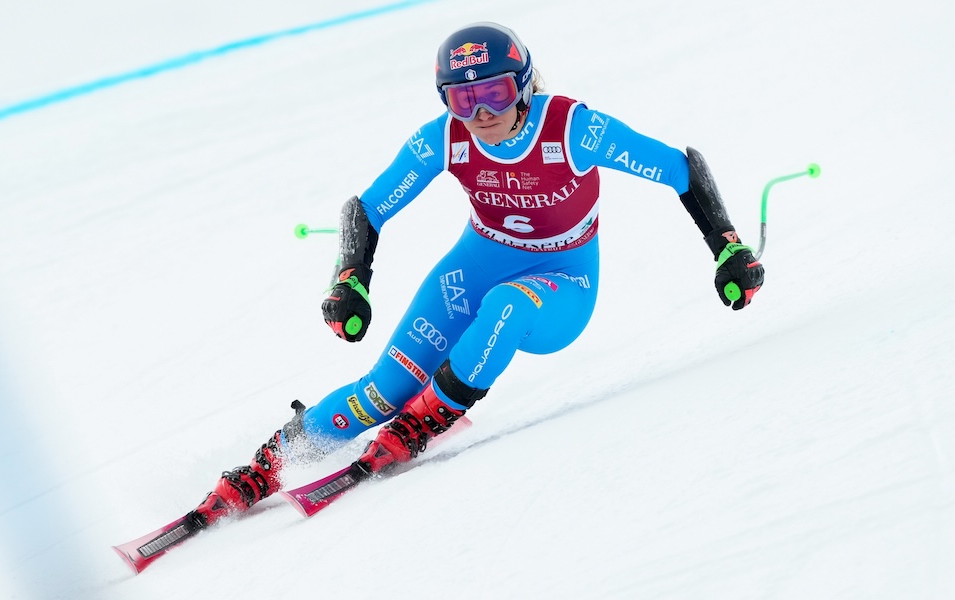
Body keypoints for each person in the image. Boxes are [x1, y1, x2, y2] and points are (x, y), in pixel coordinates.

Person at [189, 22, 764, 523]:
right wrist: (350, 278)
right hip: (476, 263)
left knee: (508, 306)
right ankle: (271, 462)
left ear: (523, 86)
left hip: (562, 283)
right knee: (381, 391)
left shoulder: (574, 129)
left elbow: (681, 169)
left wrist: (727, 247)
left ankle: (429, 417)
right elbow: (365, 208)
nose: (481, 114)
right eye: (463, 101)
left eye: (494, 92)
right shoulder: (444, 139)